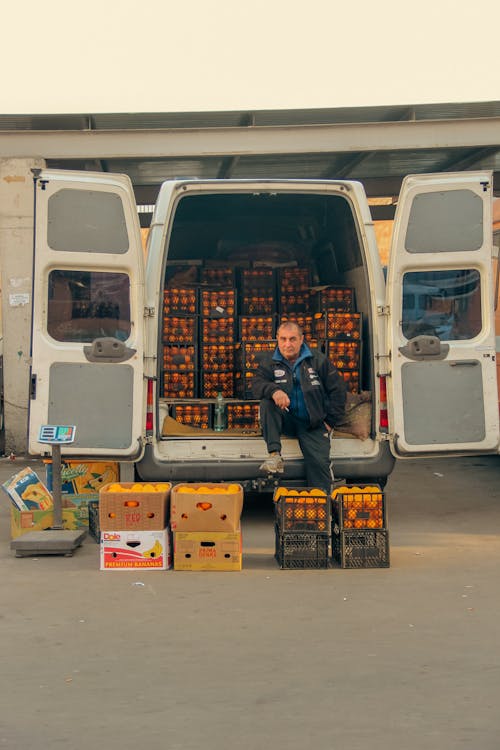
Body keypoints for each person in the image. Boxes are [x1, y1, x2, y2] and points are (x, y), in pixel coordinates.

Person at [252, 321, 346, 491]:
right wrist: (274, 391)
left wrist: (329, 422)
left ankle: (319, 507)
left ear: (302, 339)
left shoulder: (318, 360)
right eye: (283, 339)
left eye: (293, 339)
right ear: (277, 340)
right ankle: (274, 454)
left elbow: (338, 391)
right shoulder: (269, 362)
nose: (288, 344)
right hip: (285, 420)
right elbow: (256, 385)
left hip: (313, 424)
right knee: (267, 403)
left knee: (319, 464)